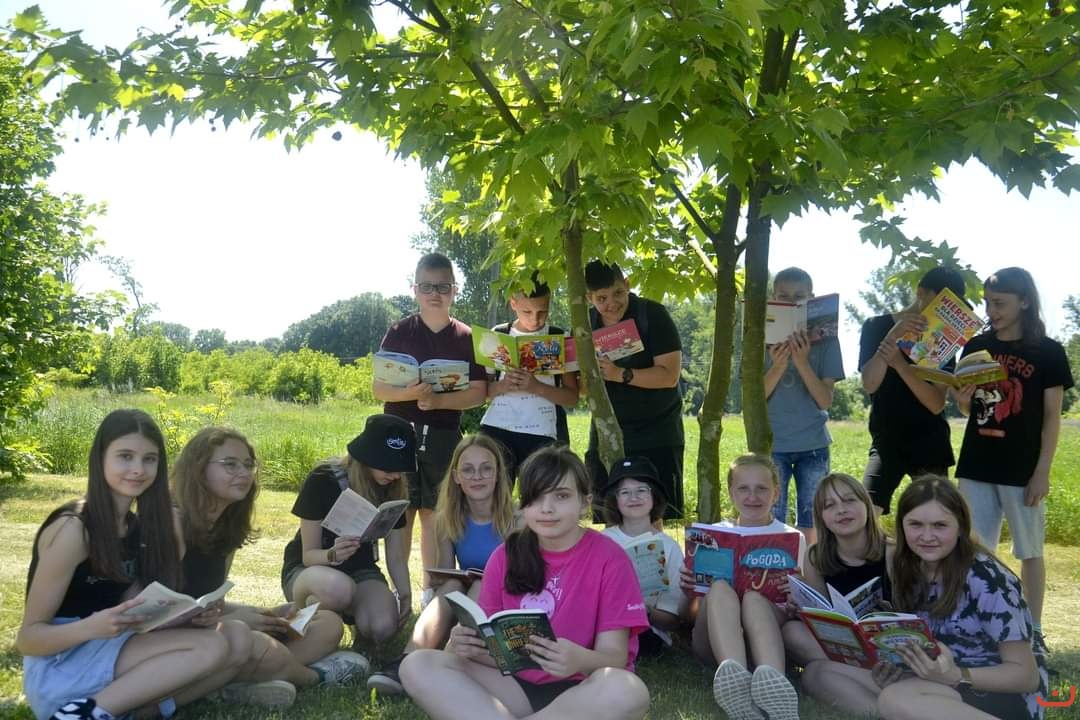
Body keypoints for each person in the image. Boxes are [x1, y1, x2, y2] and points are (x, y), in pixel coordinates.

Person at [398, 446, 651, 720]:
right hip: (512, 686)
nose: (547, 508)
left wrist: (579, 659)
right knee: (417, 664)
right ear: (523, 504)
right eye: (536, 497)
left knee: (629, 690)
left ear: (584, 502)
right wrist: (469, 646)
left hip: (583, 688)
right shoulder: (504, 555)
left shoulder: (610, 558)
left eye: (561, 496)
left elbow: (614, 656)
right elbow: (495, 649)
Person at [18, 409, 238, 720]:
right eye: (125, 456)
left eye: (149, 459)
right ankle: (82, 714)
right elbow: (28, 639)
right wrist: (90, 627)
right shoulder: (74, 529)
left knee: (228, 643)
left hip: (107, 649)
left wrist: (192, 615)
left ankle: (123, 711)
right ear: (100, 459)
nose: (138, 469)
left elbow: (131, 614)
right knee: (209, 648)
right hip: (60, 666)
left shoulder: (136, 529)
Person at [803, 476, 1046, 720]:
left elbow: (1026, 677)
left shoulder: (987, 578)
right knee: (818, 673)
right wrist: (892, 667)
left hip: (990, 690)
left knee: (895, 698)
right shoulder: (907, 567)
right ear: (902, 526)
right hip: (929, 679)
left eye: (940, 525)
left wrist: (956, 675)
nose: (927, 536)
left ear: (961, 526)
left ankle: (901, 709)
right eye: (916, 525)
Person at [172, 426, 368, 707]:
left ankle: (233, 684)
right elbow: (163, 617)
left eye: (248, 464)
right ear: (198, 469)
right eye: (230, 464)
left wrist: (262, 614)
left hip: (219, 634)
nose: (244, 472)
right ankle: (314, 676)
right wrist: (237, 622)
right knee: (260, 645)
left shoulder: (226, 529)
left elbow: (212, 603)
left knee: (327, 623)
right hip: (179, 644)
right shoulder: (174, 524)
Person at [954, 267, 1073, 654]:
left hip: (1022, 470)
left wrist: (1042, 472)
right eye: (987, 303)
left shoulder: (1048, 351)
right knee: (974, 550)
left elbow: (1052, 417)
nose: (991, 311)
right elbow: (967, 407)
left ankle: (1034, 631)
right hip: (976, 464)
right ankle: (978, 624)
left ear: (1024, 301)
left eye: (999, 303)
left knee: (1030, 550)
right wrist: (963, 398)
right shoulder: (976, 345)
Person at [373, 252, 488, 605]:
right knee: (401, 512)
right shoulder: (399, 331)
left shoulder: (467, 336)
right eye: (427, 287)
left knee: (435, 516)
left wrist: (437, 401)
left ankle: (431, 590)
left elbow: (478, 393)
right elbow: (379, 388)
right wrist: (412, 393)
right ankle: (401, 592)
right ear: (415, 289)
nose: (434, 294)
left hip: (443, 435)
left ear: (455, 290)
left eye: (442, 287)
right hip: (398, 435)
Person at [367, 433, 517, 695]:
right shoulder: (447, 520)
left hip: (507, 603)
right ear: (457, 477)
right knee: (452, 585)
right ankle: (408, 658)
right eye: (468, 470)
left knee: (481, 584)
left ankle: (446, 664)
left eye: (486, 469)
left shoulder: (518, 520)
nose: (477, 476)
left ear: (498, 475)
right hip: (467, 601)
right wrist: (449, 581)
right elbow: (445, 574)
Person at [680, 454, 806, 720]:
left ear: (776, 493)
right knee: (720, 589)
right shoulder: (711, 535)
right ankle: (735, 680)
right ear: (730, 492)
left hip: (768, 635)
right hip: (715, 642)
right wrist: (689, 588)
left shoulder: (792, 538)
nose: (752, 497)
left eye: (761, 488)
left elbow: (800, 607)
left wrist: (796, 597)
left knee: (753, 598)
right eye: (743, 488)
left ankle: (774, 686)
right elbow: (688, 614)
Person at [280, 414, 414, 661]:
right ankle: (301, 624)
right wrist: (332, 554)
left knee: (383, 626)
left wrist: (405, 593)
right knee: (337, 589)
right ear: (366, 459)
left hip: (361, 570)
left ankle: (362, 638)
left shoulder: (394, 488)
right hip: (310, 570)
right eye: (387, 467)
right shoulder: (323, 479)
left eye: (400, 469)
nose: (395, 475)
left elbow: (395, 556)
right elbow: (308, 555)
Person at [859, 266, 967, 515]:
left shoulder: (944, 337)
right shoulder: (876, 325)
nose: (943, 312)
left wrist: (900, 365)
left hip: (929, 440)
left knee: (938, 514)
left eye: (951, 306)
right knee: (866, 510)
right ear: (921, 292)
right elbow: (869, 383)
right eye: (940, 303)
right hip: (887, 438)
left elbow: (936, 404)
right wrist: (893, 335)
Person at [583, 260, 684, 521]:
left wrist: (620, 374)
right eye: (602, 298)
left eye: (618, 293)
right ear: (589, 298)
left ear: (627, 285)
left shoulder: (653, 315)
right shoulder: (584, 326)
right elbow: (581, 389)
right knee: (609, 515)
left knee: (659, 516)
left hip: (658, 433)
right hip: (607, 432)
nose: (612, 303)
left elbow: (669, 376)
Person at [788, 473, 894, 690]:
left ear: (867, 505)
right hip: (846, 645)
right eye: (830, 505)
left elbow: (910, 611)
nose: (841, 510)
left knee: (816, 674)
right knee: (792, 631)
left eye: (849, 500)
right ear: (821, 517)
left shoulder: (892, 551)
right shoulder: (815, 556)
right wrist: (802, 609)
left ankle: (857, 676)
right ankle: (866, 675)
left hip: (886, 642)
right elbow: (823, 615)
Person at [765, 267, 845, 547]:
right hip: (773, 444)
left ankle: (810, 568)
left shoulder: (827, 341)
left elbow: (825, 400)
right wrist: (778, 365)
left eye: (799, 297)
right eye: (783, 297)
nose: (791, 302)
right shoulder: (758, 337)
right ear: (773, 298)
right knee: (772, 517)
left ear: (811, 299)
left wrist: (801, 362)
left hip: (813, 445)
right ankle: (775, 569)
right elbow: (753, 401)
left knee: (813, 519)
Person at [480, 272, 580, 482]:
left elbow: (572, 397)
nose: (535, 319)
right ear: (513, 303)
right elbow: (482, 393)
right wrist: (503, 385)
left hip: (543, 434)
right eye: (527, 311)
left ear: (550, 303)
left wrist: (536, 387)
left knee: (541, 494)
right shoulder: (498, 334)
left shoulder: (560, 338)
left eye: (542, 311)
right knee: (495, 495)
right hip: (497, 430)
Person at [600, 456, 687, 654]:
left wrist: (644, 608)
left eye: (641, 490)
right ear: (615, 500)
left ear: (654, 496)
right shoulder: (602, 541)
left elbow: (672, 619)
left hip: (647, 629)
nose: (634, 498)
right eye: (625, 492)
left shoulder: (669, 547)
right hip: (604, 622)